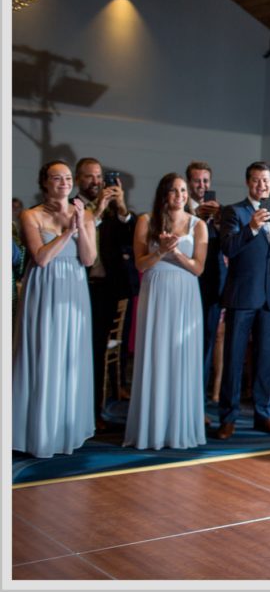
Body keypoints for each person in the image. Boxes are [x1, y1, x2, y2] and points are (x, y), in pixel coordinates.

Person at [12, 161, 97, 457]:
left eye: (68, 177)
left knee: (69, 357)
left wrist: (80, 227)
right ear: (44, 182)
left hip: (74, 289)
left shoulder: (83, 213)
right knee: (42, 354)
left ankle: (65, 429)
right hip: (45, 288)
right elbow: (41, 257)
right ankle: (37, 433)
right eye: (56, 177)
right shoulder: (31, 215)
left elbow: (88, 260)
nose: (63, 182)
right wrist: (66, 232)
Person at [124, 174, 208, 450]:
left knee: (181, 357)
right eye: (173, 190)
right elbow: (140, 264)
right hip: (156, 292)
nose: (180, 194)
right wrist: (160, 251)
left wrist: (177, 254)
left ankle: (179, 427)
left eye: (183, 190)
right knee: (157, 355)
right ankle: (152, 428)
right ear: (163, 194)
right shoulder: (146, 221)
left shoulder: (198, 226)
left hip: (185, 295)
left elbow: (198, 268)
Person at [216, 161, 270, 440]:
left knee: (265, 360)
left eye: (266, 180)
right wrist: (250, 227)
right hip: (242, 296)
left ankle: (264, 414)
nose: (262, 185)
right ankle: (228, 417)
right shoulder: (234, 212)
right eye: (256, 180)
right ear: (248, 183)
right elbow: (227, 247)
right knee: (234, 359)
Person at [76, 157, 137, 430]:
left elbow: (131, 238)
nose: (96, 181)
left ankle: (94, 411)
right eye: (89, 176)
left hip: (102, 290)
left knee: (97, 351)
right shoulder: (71, 206)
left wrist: (121, 206)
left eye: (99, 176)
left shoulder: (114, 212)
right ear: (78, 179)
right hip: (73, 285)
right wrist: (97, 210)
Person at [186, 161, 227, 406]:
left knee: (207, 343)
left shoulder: (220, 214)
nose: (201, 186)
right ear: (188, 183)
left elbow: (231, 246)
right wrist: (194, 219)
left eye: (205, 181)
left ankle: (198, 401)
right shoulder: (181, 211)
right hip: (186, 283)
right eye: (196, 181)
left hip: (212, 286)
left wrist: (220, 219)